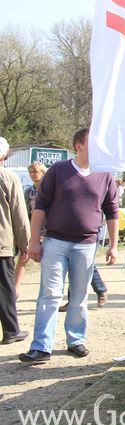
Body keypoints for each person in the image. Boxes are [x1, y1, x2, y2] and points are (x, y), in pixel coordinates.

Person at [19, 128, 119, 363]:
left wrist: (113, 245)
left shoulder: (105, 175)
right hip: (56, 241)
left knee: (79, 296)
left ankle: (75, 340)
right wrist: (34, 240)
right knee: (50, 295)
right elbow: (41, 206)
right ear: (78, 146)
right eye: (91, 143)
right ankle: (42, 346)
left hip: (86, 244)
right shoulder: (58, 171)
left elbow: (112, 211)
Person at [0, 137, 31, 344]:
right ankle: (11, 330)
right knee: (5, 287)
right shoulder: (8, 177)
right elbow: (19, 213)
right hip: (2, 242)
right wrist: (26, 243)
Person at [13, 161, 46, 294]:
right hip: (32, 227)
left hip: (48, 229)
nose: (33, 175)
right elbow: (25, 212)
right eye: (30, 172)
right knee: (23, 256)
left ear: (43, 173)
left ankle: (45, 292)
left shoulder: (49, 189)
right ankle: (15, 290)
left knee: (47, 260)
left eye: (35, 172)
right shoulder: (29, 191)